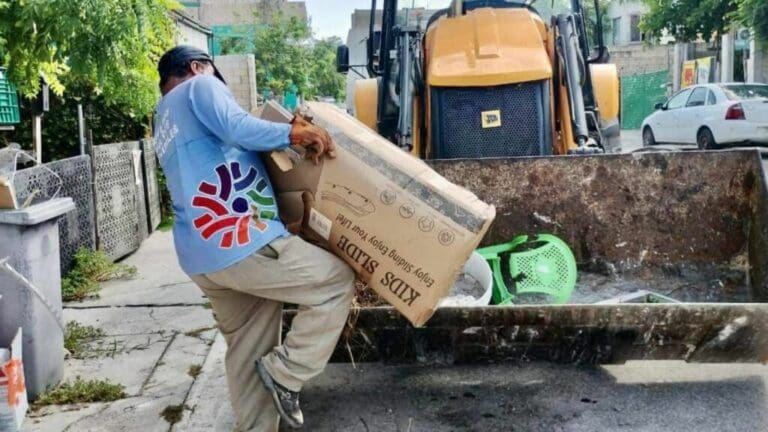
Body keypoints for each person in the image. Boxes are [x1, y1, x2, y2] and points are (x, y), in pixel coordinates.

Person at [153, 45, 355, 431]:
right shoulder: (199, 86)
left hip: (201, 256)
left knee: (248, 347)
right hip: (239, 238)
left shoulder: (162, 118)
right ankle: (287, 372)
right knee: (334, 282)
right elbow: (237, 127)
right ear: (197, 66)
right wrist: (293, 132)